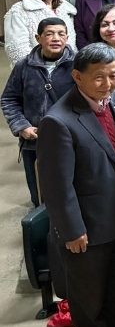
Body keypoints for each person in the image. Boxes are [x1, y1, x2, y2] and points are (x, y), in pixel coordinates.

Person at [37, 43, 115, 327]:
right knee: (89, 294)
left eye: (113, 75)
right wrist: (72, 229)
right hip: (86, 222)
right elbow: (56, 186)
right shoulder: (58, 121)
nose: (107, 83)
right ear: (77, 76)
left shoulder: (112, 100)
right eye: (99, 77)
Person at [2, 18, 75, 206]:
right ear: (38, 38)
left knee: (71, 188)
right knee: (39, 191)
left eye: (60, 34)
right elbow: (9, 99)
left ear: (67, 38)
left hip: (70, 141)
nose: (56, 38)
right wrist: (21, 126)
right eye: (49, 34)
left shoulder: (78, 65)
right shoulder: (23, 67)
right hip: (34, 143)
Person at [4, 0, 76, 64]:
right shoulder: (18, 11)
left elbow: (71, 46)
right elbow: (17, 51)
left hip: (67, 70)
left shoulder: (65, 9)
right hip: (35, 73)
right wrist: (45, 70)